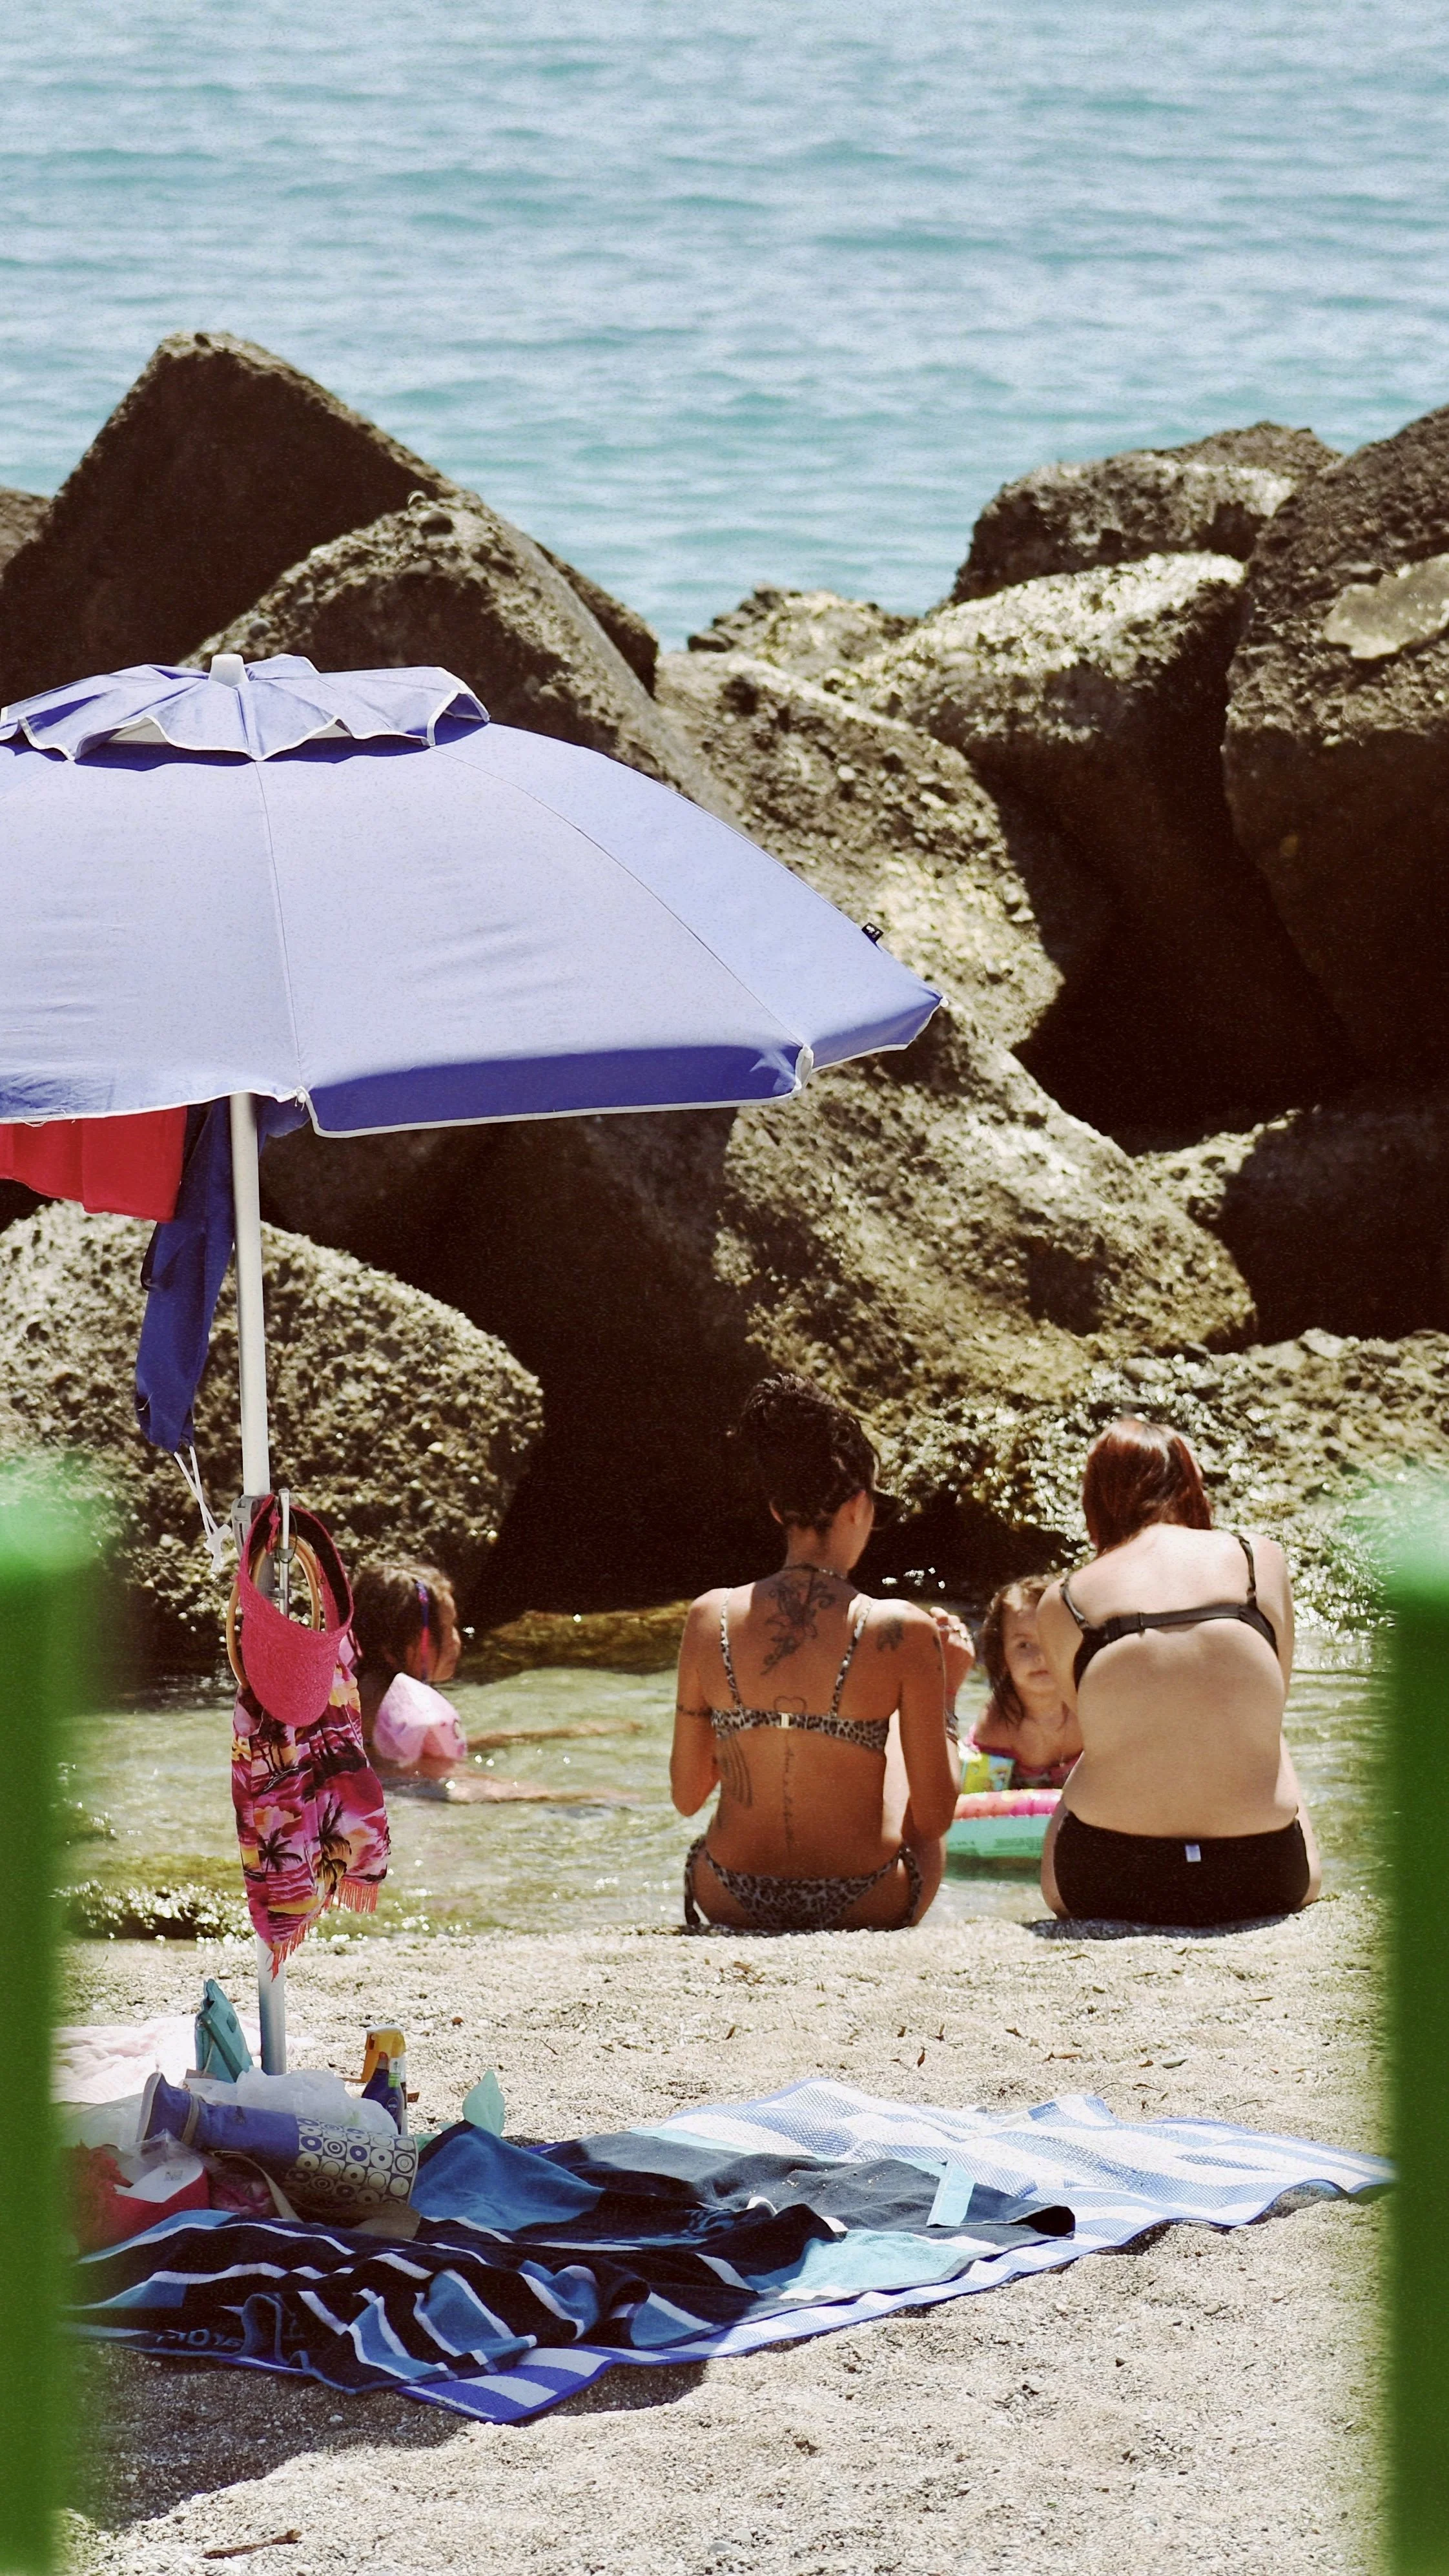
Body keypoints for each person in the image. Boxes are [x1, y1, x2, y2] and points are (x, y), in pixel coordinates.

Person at [671, 1372, 969, 1932]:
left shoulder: (708, 1617)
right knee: (911, 1744)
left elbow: (688, 1796)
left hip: (727, 1891)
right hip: (868, 1897)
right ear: (859, 1505)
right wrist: (946, 1692)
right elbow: (933, 1817)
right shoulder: (901, 1627)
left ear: (778, 1511)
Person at [1034, 1418, 1321, 1927]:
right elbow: (1274, 1700)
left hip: (1102, 1879)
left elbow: (1090, 1729)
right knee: (1266, 1729)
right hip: (1266, 1874)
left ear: (1095, 1500)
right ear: (1191, 1484)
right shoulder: (1259, 1560)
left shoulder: (1065, 1599)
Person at [351, 1561, 467, 1772]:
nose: (455, 1642)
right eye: (442, 1630)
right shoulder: (407, 1719)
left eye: (453, 1626)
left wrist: (511, 1738)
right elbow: (452, 1783)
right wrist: (545, 1794)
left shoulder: (361, 1683)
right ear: (392, 1646)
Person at [972, 1576, 1082, 1789]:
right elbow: (984, 1802)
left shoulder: (1089, 1708)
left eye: (1052, 1638)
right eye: (1024, 1645)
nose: (1041, 1656)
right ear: (1001, 1655)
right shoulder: (998, 1726)